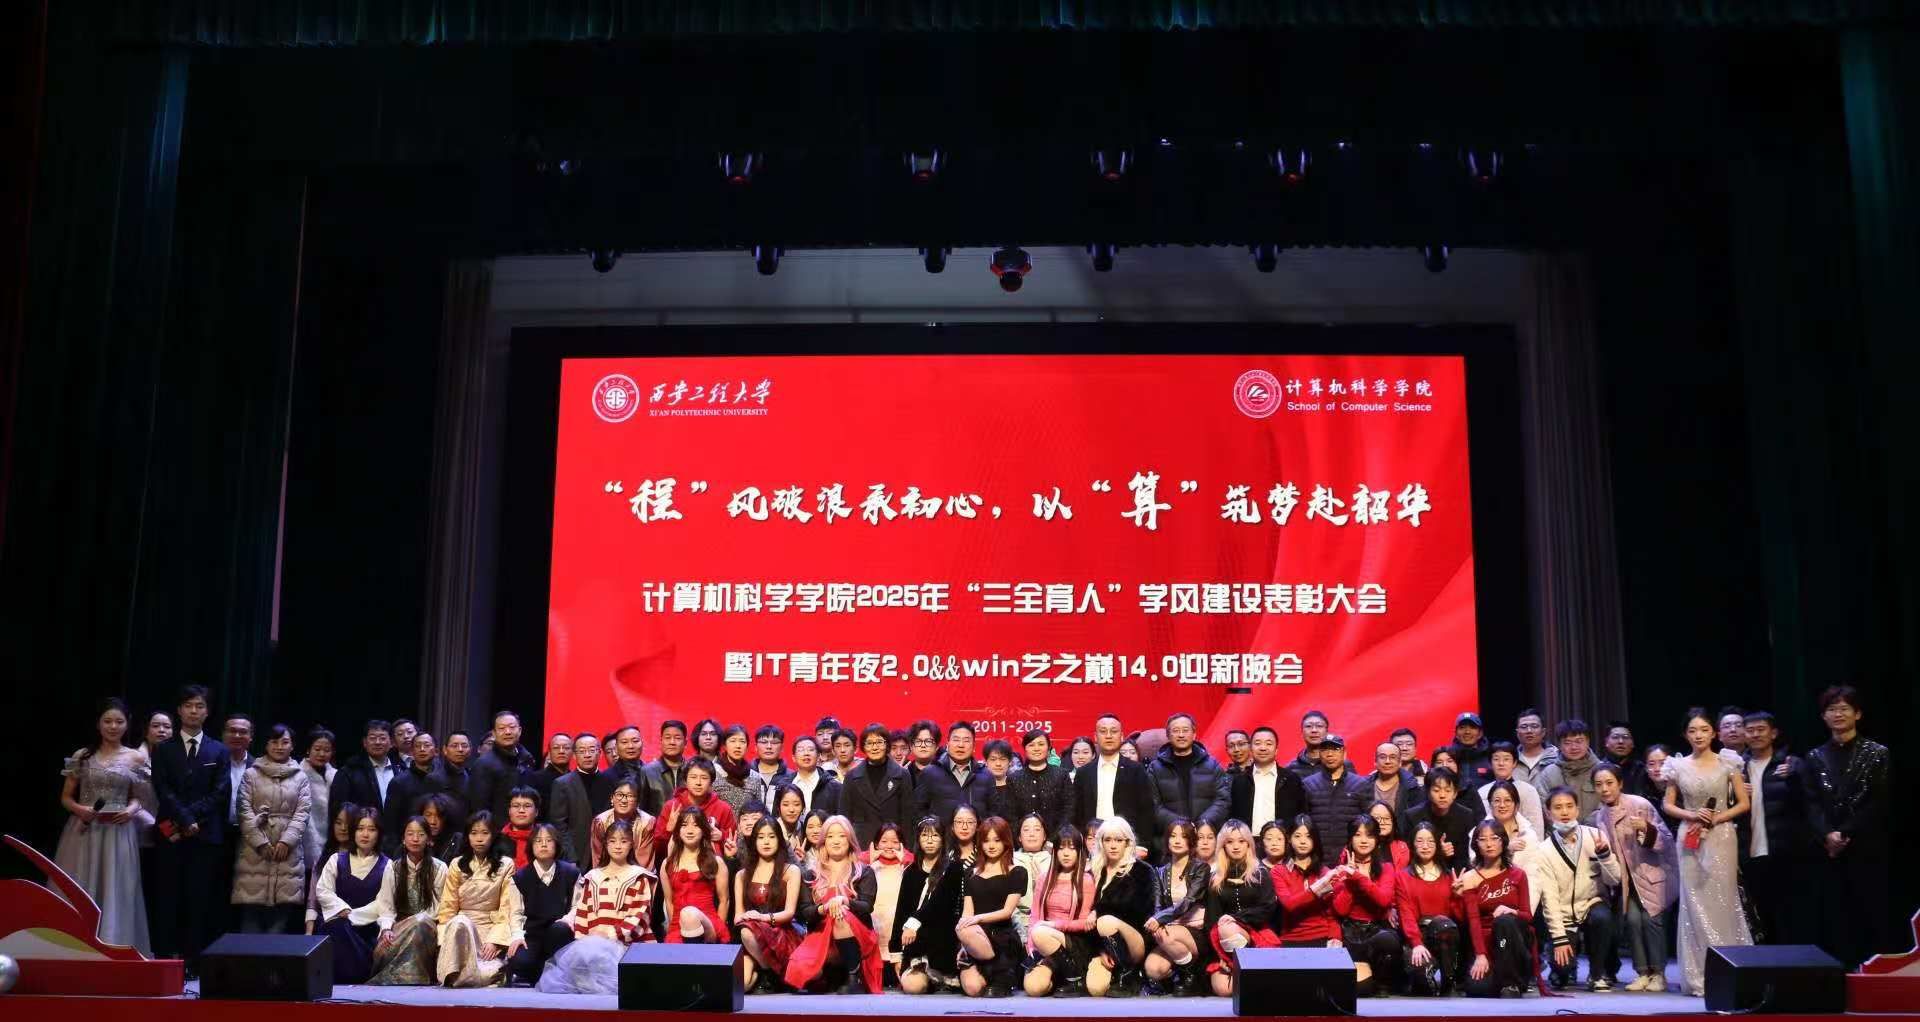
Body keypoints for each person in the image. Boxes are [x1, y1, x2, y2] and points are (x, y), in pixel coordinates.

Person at [1662, 707, 1752, 995]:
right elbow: (1668, 804)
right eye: (1692, 731)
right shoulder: (1677, 766)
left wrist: (1717, 818)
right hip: (1689, 836)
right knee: (1693, 902)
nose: (1698, 735)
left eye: (1704, 730)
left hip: (1722, 836)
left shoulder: (1728, 762)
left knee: (1724, 901)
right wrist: (1692, 815)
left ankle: (1731, 969)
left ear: (1714, 733)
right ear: (1685, 735)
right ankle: (1699, 975)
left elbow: (1744, 803)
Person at [55, 697, 153, 954]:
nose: (113, 726)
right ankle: (76, 947)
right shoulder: (82, 756)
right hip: (84, 831)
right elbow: (65, 798)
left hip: (118, 832)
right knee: (81, 884)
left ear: (127, 724)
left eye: (119, 722)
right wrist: (80, 809)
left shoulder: (136, 757)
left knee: (116, 887)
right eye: (107, 721)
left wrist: (130, 811)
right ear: (98, 724)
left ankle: (114, 946)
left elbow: (140, 798)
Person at [1806, 685, 1892, 969]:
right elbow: (1811, 802)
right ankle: (1836, 971)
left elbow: (1879, 801)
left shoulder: (1877, 753)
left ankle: (1868, 970)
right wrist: (1827, 834)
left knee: (1868, 908)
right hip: (1827, 849)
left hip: (1865, 844)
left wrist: (1844, 833)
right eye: (1831, 709)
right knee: (1833, 911)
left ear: (1857, 714)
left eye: (1844, 708)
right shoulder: (1815, 756)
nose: (1838, 714)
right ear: (1823, 716)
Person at [150, 685, 229, 968]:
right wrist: (185, 819)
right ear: (179, 710)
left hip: (205, 835)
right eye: (188, 706)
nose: (194, 711)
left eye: (199, 706)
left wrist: (193, 818)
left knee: (199, 900)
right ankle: (164, 960)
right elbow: (162, 788)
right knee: (167, 897)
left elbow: (220, 792)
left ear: (207, 712)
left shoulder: (219, 750)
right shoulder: (163, 749)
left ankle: (194, 961)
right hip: (170, 832)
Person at [536, 818, 655, 994]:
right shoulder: (593, 877)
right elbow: (583, 912)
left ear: (632, 844)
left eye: (623, 841)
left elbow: (640, 916)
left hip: (627, 945)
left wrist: (609, 934)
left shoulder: (638, 877)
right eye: (612, 841)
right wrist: (584, 942)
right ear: (606, 844)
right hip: (593, 945)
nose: (618, 846)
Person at [1737, 710, 1821, 945]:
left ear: (1773, 733)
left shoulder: (1791, 764)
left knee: (1790, 915)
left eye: (1761, 729)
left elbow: (1810, 804)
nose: (1755, 735)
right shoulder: (1737, 768)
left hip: (1786, 853)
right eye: (1750, 730)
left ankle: (1792, 964)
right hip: (1750, 853)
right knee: (1759, 916)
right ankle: (1765, 965)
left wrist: (1794, 779)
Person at [1590, 763, 1673, 992]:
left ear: (1620, 784)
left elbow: (1665, 841)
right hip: (1627, 881)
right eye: (1599, 784)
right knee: (1633, 922)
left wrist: (1647, 829)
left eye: (1609, 783)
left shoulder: (1640, 804)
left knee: (1651, 921)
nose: (1605, 789)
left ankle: (1659, 974)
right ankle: (1643, 972)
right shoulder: (1601, 816)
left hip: (1650, 873)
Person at [1535, 787, 1621, 991]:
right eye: (1558, 807)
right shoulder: (1544, 850)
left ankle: (1597, 974)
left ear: (1577, 809)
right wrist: (1559, 938)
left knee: (1602, 917)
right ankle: (1561, 969)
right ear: (1548, 813)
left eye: (1569, 806)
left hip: (1592, 904)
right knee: (1562, 972)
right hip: (1564, 913)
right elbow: (1550, 899)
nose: (1564, 812)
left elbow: (1614, 879)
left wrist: (1605, 856)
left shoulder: (1595, 836)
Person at [786, 815, 884, 994]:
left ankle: (854, 977)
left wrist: (844, 901)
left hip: (857, 934)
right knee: (799, 972)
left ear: (850, 839)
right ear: (823, 841)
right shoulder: (811, 874)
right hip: (821, 935)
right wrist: (824, 907)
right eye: (830, 836)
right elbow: (805, 911)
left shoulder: (863, 871)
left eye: (842, 836)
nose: (836, 841)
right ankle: (828, 977)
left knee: (841, 914)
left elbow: (866, 906)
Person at [232, 723, 314, 933]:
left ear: (292, 746)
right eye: (274, 742)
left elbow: (303, 812)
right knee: (250, 918)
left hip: (288, 854)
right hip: (254, 852)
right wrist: (260, 842)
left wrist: (287, 841)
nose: (279, 746)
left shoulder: (301, 776)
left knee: (280, 921)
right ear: (266, 745)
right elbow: (243, 810)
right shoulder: (251, 774)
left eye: (285, 742)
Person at [435, 811, 527, 987]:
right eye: (474, 833)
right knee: (459, 921)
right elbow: (447, 908)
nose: (479, 839)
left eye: (485, 833)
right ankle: (462, 974)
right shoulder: (457, 864)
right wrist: (444, 942)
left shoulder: (506, 864)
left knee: (487, 970)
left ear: (493, 836)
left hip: (489, 930)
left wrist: (494, 942)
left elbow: (506, 908)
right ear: (467, 836)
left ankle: (465, 976)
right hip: (460, 930)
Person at [1458, 820, 1540, 997]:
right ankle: (1504, 980)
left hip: (1512, 941)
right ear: (1476, 844)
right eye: (1483, 839)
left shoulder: (1518, 874)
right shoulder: (1470, 877)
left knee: (1504, 921)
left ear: (1503, 841)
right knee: (1477, 989)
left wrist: (1512, 911)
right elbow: (1473, 921)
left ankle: (1511, 982)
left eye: (1494, 838)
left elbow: (1528, 916)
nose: (1489, 844)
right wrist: (1480, 954)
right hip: (1486, 942)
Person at [1199, 820, 1278, 996]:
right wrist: (1219, 955)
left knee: (1228, 928)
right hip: (1224, 941)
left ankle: (1251, 967)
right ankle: (1237, 965)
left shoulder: (1260, 873)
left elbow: (1268, 908)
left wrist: (1237, 918)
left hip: (1256, 932)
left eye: (1241, 841)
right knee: (1223, 989)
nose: (1236, 846)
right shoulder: (1215, 878)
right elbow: (1211, 920)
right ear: (1223, 845)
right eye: (1230, 842)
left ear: (1248, 844)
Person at [367, 815, 448, 985]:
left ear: (429, 840)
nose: (415, 839)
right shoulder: (393, 868)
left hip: (429, 929)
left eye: (421, 834)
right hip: (400, 928)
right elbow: (386, 906)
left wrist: (416, 922)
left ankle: (413, 976)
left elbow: (439, 908)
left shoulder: (439, 868)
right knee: (383, 949)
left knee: (421, 922)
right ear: (403, 839)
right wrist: (386, 929)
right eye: (410, 834)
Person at [313, 807, 388, 982]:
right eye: (360, 829)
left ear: (379, 834)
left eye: (371, 829)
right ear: (353, 832)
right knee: (336, 927)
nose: (365, 834)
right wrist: (341, 909)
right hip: (337, 922)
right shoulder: (336, 860)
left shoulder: (387, 865)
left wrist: (352, 916)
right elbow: (323, 890)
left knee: (345, 929)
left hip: (367, 930)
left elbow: (383, 903)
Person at [1331, 815, 1402, 996]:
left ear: (1376, 839)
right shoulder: (1340, 871)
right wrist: (1349, 879)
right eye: (1358, 835)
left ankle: (1382, 982)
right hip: (1350, 933)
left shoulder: (1386, 868)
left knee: (1389, 940)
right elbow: (1340, 910)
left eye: (1369, 835)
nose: (1363, 840)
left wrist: (1358, 877)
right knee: (1361, 989)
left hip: (1377, 931)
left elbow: (1383, 900)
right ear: (1350, 839)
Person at [1086, 817, 1155, 997]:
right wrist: (1101, 950)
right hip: (1103, 943)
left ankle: (1130, 975)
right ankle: (1116, 974)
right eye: (1108, 840)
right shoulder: (1095, 870)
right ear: (1101, 842)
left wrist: (1097, 911)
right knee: (1096, 988)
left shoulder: (1141, 870)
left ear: (1127, 843)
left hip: (1135, 939)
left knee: (1105, 921)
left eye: (1118, 840)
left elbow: (1139, 912)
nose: (1113, 845)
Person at [1024, 824, 1096, 996]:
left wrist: (1054, 925)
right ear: (1055, 851)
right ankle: (1060, 977)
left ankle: (1075, 978)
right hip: (1045, 941)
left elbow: (1084, 924)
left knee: (1040, 931)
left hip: (1073, 942)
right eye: (1061, 848)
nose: (1066, 853)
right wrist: (1032, 948)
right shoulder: (1044, 878)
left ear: (1079, 851)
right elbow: (1034, 916)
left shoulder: (1085, 880)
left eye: (1071, 848)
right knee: (1033, 988)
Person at [1143, 819, 1213, 995]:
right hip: (1169, 928)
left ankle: (1191, 975)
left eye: (1183, 836)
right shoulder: (1160, 871)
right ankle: (1179, 974)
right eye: (1173, 836)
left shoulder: (1201, 868)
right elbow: (1158, 904)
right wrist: (1157, 921)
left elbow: (1188, 901)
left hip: (1195, 930)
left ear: (1191, 841)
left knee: (1168, 935)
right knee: (1153, 969)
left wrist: (1159, 919)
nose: (1177, 840)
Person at [897, 816, 964, 994]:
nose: (929, 840)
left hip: (942, 938)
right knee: (913, 987)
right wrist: (896, 952)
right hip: (915, 941)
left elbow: (940, 903)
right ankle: (926, 978)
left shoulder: (953, 868)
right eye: (925, 835)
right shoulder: (911, 871)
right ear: (918, 839)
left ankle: (940, 977)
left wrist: (914, 921)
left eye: (935, 835)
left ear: (943, 839)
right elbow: (902, 910)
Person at [735, 817, 803, 992]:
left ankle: (769, 975)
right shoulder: (742, 875)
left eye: (771, 836)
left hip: (781, 933)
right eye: (761, 837)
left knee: (747, 931)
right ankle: (767, 971)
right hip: (751, 938)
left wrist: (762, 918)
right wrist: (749, 918)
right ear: (754, 841)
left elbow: (789, 913)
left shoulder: (791, 871)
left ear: (779, 840)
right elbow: (738, 916)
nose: (766, 842)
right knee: (741, 986)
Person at [507, 824, 580, 986]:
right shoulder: (520, 877)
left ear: (557, 844)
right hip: (532, 935)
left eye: (549, 840)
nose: (544, 845)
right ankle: (541, 970)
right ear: (531, 846)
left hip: (559, 933)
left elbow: (577, 906)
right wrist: (517, 936)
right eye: (538, 841)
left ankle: (550, 969)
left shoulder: (571, 873)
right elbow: (516, 913)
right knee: (519, 961)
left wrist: (567, 920)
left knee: (559, 931)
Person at [1397, 822, 1464, 995]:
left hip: (1445, 936)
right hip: (1418, 935)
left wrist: (1457, 896)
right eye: (1420, 841)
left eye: (1430, 841)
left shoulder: (1448, 876)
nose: (1425, 846)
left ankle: (1449, 980)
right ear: (1413, 844)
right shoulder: (1403, 876)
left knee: (1443, 924)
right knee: (1424, 986)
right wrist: (1416, 943)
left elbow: (1458, 916)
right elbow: (1406, 914)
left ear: (1437, 845)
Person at [1075, 713, 1157, 851]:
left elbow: (1146, 811)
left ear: (1122, 736)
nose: (1108, 736)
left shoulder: (1136, 770)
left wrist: (1142, 845)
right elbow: (1077, 813)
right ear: (1095, 737)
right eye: (1103, 731)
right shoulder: (1084, 773)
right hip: (1093, 845)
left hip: (1127, 844)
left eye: (1113, 731)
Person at [1148, 712, 1232, 834]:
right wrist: (1181, 825)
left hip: (1206, 835)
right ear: (1168, 735)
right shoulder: (1155, 768)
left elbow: (1223, 800)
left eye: (1185, 730)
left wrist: (1203, 823)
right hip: (1172, 836)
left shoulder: (1212, 765)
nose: (1181, 735)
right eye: (1176, 731)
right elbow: (1153, 805)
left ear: (1194, 734)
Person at [662, 806, 731, 943]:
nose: (690, 830)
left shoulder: (716, 862)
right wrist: (673, 927)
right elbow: (669, 901)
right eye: (684, 825)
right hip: (678, 925)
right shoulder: (667, 864)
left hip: (709, 924)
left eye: (696, 825)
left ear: (703, 830)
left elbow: (724, 900)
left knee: (689, 913)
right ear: (678, 830)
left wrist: (719, 931)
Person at [1271, 814, 1340, 948]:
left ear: (1315, 840)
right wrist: (1320, 885)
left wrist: (1335, 937)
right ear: (1289, 839)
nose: (1303, 841)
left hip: (1321, 936)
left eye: (1308, 836)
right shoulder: (1279, 871)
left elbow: (1331, 913)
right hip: (1291, 938)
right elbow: (1290, 904)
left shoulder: (1324, 871)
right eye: (1297, 836)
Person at [655, 758, 739, 860]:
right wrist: (668, 831)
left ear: (711, 782)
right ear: (685, 780)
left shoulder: (723, 808)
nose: (698, 782)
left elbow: (734, 845)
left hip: (712, 866)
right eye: (693, 777)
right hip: (677, 864)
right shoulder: (672, 806)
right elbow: (657, 849)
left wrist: (722, 836)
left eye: (704, 778)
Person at [842, 724, 912, 846]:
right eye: (869, 743)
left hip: (892, 843)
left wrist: (906, 849)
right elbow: (844, 816)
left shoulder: (902, 775)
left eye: (879, 742)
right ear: (863, 747)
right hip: (861, 843)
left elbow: (907, 818)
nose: (875, 747)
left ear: (887, 745)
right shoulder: (851, 777)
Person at [1232, 726, 1309, 834]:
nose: (1263, 748)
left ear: (1276, 750)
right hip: (1248, 841)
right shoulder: (1239, 781)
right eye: (1258, 743)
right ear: (1251, 749)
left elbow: (1300, 815)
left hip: (1281, 841)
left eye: (1268, 744)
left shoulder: (1291, 780)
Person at [1302, 735, 1370, 857]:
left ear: (1344, 752)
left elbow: (1368, 824)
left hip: (1351, 856)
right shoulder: (1308, 784)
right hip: (1317, 856)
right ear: (1319, 754)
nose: (1330, 754)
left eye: (1335, 749)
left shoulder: (1360, 784)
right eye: (1325, 750)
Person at [865, 822, 914, 980]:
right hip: (875, 924)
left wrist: (905, 861)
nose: (889, 846)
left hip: (898, 927)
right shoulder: (866, 862)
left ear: (901, 844)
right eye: (884, 841)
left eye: (894, 841)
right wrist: (869, 862)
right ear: (876, 843)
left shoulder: (909, 863)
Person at [1403, 767, 1476, 871]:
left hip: (1455, 871)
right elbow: (1408, 853)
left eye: (1448, 790)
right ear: (1428, 792)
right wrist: (1437, 852)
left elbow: (1466, 855)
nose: (1442, 795)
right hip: (1421, 870)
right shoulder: (1412, 816)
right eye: (1436, 790)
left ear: (1455, 793)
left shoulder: (1466, 815)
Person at [1005, 730, 1073, 836]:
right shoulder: (1014, 778)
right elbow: (1011, 815)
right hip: (1023, 841)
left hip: (1056, 840)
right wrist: (1022, 839)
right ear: (1025, 748)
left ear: (1049, 747)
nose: (1036, 748)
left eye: (1041, 744)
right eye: (1031, 745)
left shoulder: (1061, 775)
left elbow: (1068, 810)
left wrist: (1054, 839)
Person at [547, 732, 600, 864]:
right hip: (576, 855)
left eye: (591, 750)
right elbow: (559, 825)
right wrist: (570, 857)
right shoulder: (562, 783)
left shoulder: (609, 781)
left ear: (599, 753)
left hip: (605, 854)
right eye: (582, 751)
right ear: (574, 755)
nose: (587, 755)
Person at [329, 719, 395, 823]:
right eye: (372, 738)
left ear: (391, 743)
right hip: (362, 829)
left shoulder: (401, 770)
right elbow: (339, 808)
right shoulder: (349, 771)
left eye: (382, 738)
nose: (377, 742)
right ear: (364, 743)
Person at [305, 803, 357, 934]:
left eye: (348, 824)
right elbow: (313, 901)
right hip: (326, 922)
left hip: (355, 921)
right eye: (338, 823)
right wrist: (308, 934)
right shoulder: (322, 859)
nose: (343, 828)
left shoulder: (362, 858)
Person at [1535, 719, 1604, 818]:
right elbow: (1543, 807)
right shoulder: (1549, 773)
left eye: (1579, 741)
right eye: (1567, 743)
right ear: (1559, 745)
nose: (1574, 747)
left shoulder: (1602, 770)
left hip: (1596, 827)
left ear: (1588, 742)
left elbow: (1610, 803)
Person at [1481, 742, 1546, 836]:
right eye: (1496, 759)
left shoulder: (1528, 790)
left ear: (1514, 763)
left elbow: (1536, 826)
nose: (1501, 763)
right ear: (1490, 763)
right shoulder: (1482, 792)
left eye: (1506, 759)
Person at [592, 779, 656, 870]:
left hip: (638, 873)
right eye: (619, 795)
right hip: (607, 872)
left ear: (638, 802)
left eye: (630, 796)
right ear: (612, 798)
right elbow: (598, 858)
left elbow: (644, 860)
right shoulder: (600, 821)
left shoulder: (647, 822)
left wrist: (624, 876)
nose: (624, 800)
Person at [299, 727, 338, 870]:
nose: (322, 754)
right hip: (305, 838)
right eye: (317, 749)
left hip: (331, 837)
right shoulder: (298, 774)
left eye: (327, 750)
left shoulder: (336, 775)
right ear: (308, 750)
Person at [779, 735, 842, 818]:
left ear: (819, 756)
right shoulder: (783, 785)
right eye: (801, 750)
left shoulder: (834, 787)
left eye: (811, 750)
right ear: (793, 758)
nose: (806, 753)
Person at [639, 720, 689, 814]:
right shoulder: (647, 772)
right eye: (667, 738)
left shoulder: (692, 770)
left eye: (677, 738)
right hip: (658, 823)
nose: (672, 742)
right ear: (661, 741)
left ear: (685, 742)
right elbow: (640, 810)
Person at [1360, 740, 1419, 821]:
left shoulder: (1412, 787)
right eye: (1382, 757)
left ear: (1400, 762)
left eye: (1393, 757)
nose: (1387, 761)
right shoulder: (1362, 786)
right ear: (1375, 762)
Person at [744, 724, 792, 808]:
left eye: (774, 742)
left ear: (782, 748)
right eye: (764, 742)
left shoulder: (791, 777)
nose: (769, 747)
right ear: (755, 747)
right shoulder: (745, 774)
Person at [711, 724, 754, 813]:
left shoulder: (754, 776)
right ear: (724, 745)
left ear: (747, 746)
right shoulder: (713, 771)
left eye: (742, 741)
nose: (738, 746)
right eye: (733, 741)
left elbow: (758, 809)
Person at [526, 732, 574, 811]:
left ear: (573, 752)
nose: (561, 751)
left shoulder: (576, 779)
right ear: (549, 751)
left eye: (566, 748)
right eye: (556, 748)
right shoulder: (535, 778)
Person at [1513, 709, 1559, 787]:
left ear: (1543, 732)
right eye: (1524, 727)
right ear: (1517, 733)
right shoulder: (1510, 759)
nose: (1529, 731)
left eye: (1534, 726)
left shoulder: (1557, 757)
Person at [500, 787, 540, 871]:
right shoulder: (497, 840)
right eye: (516, 806)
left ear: (536, 812)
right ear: (509, 811)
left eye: (527, 806)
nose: (521, 810)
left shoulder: (546, 840)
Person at [1363, 801, 1411, 871]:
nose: (1382, 822)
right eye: (1377, 818)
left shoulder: (1401, 847)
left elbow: (1400, 875)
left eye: (1387, 818)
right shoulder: (1360, 845)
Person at [1450, 713, 1493, 787]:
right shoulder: (1448, 756)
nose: (1467, 732)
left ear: (1480, 733)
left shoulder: (1492, 756)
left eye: (1472, 727)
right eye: (1462, 727)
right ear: (1456, 733)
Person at [421, 794, 466, 863]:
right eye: (428, 815)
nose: (433, 821)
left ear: (446, 818)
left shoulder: (457, 840)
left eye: (439, 816)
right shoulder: (414, 839)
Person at [1289, 710, 1331, 777]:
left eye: (1319, 726)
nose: (1314, 730)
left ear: (1327, 732)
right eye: (1308, 726)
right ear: (1302, 732)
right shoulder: (1291, 768)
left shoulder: (1339, 765)